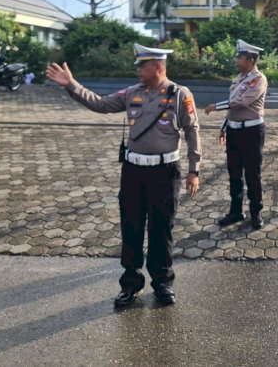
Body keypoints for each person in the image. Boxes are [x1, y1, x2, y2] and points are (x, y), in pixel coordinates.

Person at [45, 44, 200, 308]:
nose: (138, 70)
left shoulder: (179, 95)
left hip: (165, 172)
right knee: (132, 226)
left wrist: (194, 169)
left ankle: (162, 283)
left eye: (142, 65)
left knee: (161, 229)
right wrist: (71, 84)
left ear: (158, 66)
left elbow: (192, 130)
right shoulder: (131, 94)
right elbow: (100, 104)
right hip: (133, 171)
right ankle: (130, 284)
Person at [204, 39, 268, 230]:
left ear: (251, 60)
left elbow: (242, 103)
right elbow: (233, 107)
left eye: (239, 57)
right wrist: (224, 127)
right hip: (234, 131)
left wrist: (215, 106)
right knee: (234, 173)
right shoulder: (238, 79)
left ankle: (256, 212)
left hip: (251, 132)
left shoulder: (258, 79)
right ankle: (236, 211)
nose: (236, 60)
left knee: (252, 174)